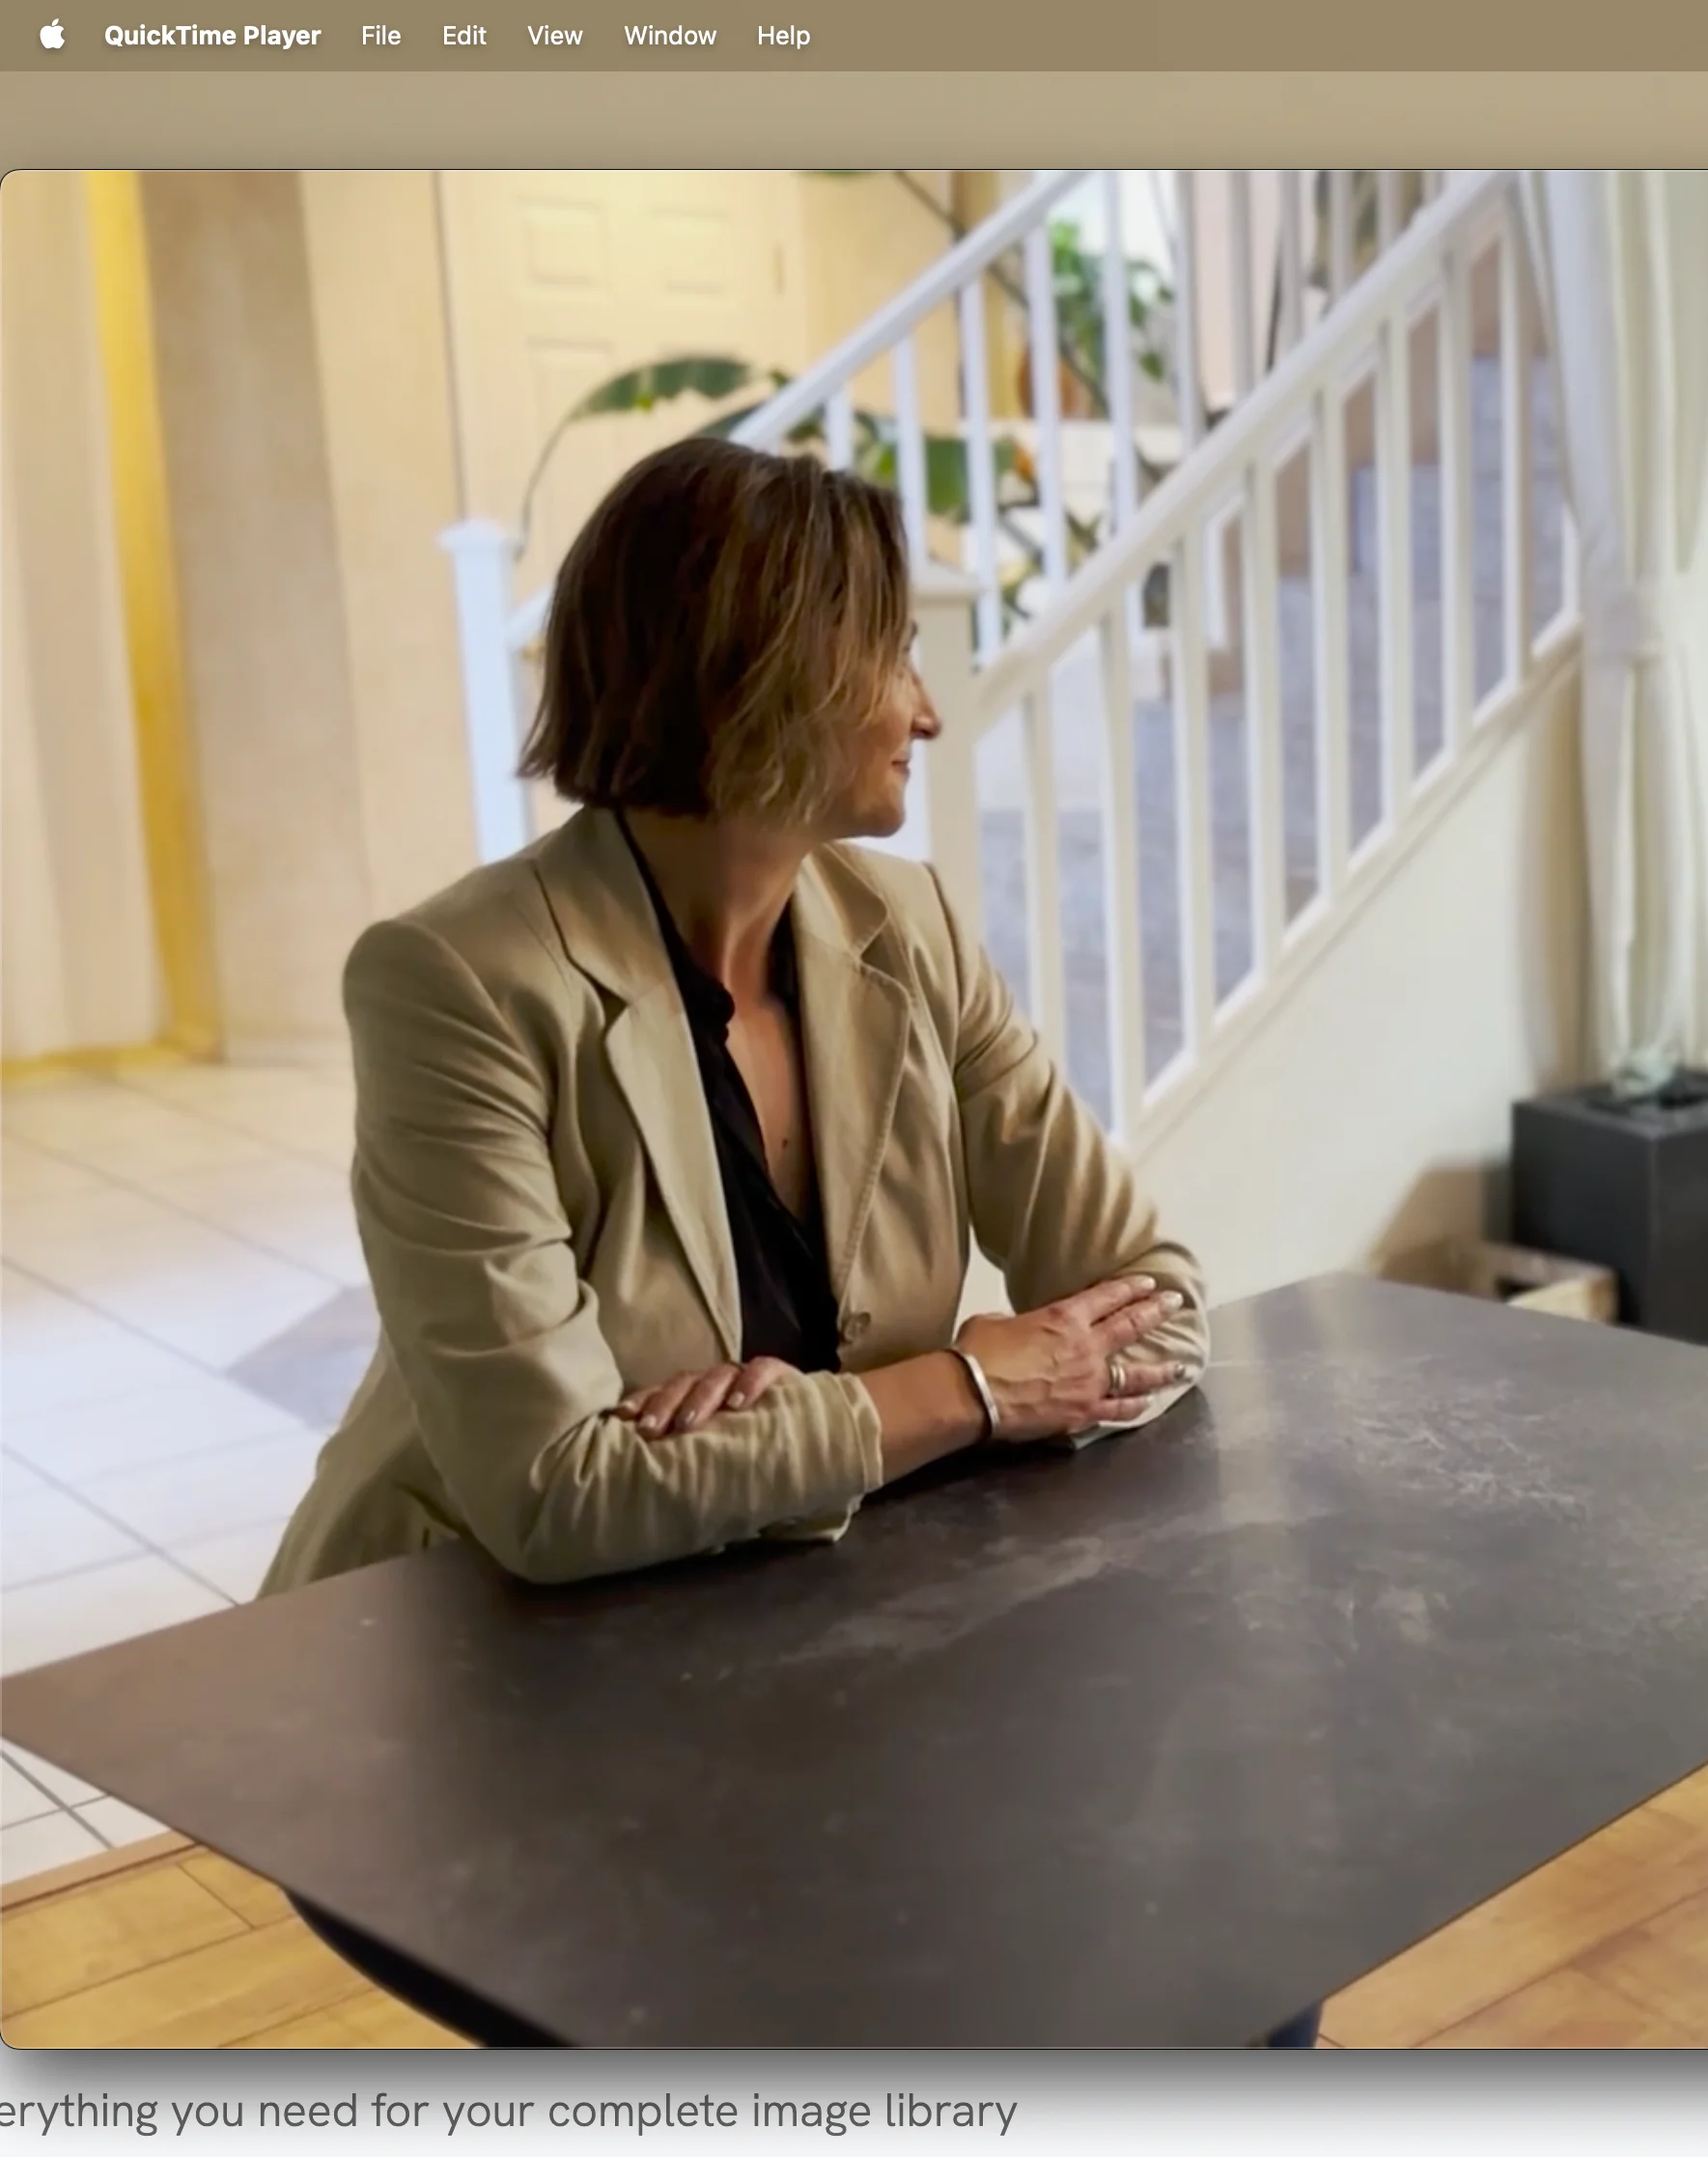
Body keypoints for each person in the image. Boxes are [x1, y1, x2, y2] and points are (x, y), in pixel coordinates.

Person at [260, 435, 1315, 2048]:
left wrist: (792, 1428)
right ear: (767, 669)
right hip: (486, 1679)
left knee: (1239, 1975)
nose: (927, 707)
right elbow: (554, 1497)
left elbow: (1152, 1296)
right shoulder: (457, 983)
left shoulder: (910, 928)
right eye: (893, 653)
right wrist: (961, 1388)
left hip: (813, 1640)